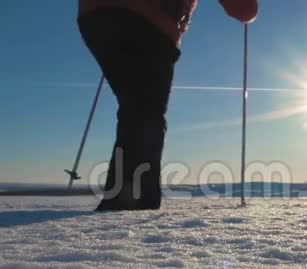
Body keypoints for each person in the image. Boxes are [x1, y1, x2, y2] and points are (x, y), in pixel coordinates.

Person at [77, 0, 258, 211]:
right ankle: (130, 206)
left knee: (137, 107)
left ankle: (126, 201)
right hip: (149, 24)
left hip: (94, 18)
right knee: (145, 114)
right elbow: (244, 10)